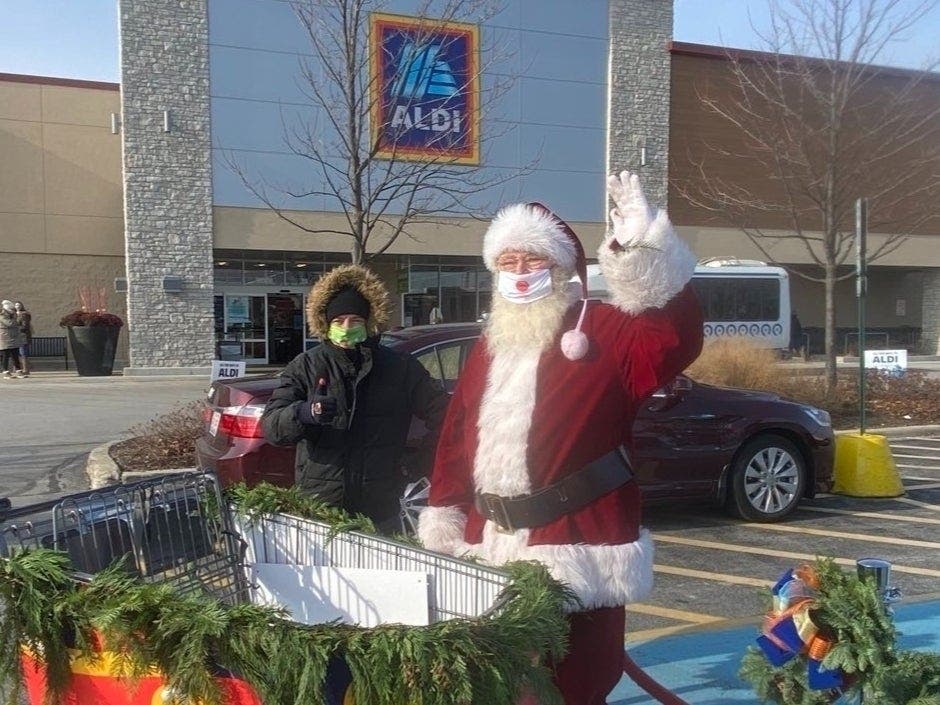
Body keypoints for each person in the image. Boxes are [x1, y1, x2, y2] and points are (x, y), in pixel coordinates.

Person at [417, 172, 704, 705]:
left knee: (573, 682)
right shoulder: (489, 344)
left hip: (576, 542)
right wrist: (445, 512)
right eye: (508, 262)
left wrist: (642, 252)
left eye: (533, 260)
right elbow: (457, 437)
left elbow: (673, 340)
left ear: (562, 267)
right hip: (490, 544)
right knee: (493, 683)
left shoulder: (607, 332)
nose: (520, 273)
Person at [261, 264, 449, 530]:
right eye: (339, 321)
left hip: (380, 509)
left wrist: (416, 464)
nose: (347, 327)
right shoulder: (306, 365)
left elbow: (447, 416)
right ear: (326, 325)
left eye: (355, 320)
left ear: (369, 322)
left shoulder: (400, 367)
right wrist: (305, 413)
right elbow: (272, 428)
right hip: (321, 508)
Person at [0, 300, 26, 379]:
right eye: (11, 309)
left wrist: (17, 317)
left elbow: (19, 323)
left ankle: (18, 371)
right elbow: (10, 323)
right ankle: (5, 372)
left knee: (15, 355)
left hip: (14, 338)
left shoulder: (12, 315)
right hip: (5, 338)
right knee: (5, 356)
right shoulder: (2, 315)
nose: (13, 310)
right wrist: (17, 317)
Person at [14, 301, 32, 377]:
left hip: (23, 336)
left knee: (23, 353)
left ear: (21, 306)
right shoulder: (13, 314)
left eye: (19, 305)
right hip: (15, 337)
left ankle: (26, 370)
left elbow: (25, 326)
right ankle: (18, 369)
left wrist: (15, 328)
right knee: (16, 353)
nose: (17, 306)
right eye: (16, 305)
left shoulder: (24, 314)